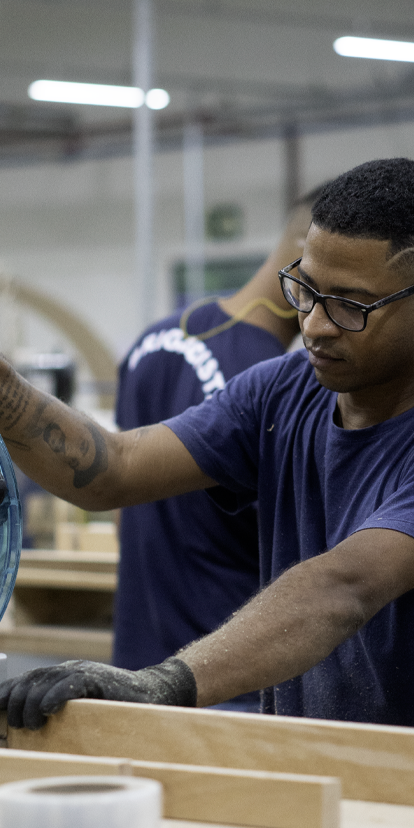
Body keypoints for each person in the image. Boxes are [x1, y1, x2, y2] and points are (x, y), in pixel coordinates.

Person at [0, 157, 414, 731]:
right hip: (312, 753)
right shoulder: (281, 393)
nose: (315, 325)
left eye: (350, 305)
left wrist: (161, 683)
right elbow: (116, 468)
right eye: (307, 291)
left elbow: (346, 585)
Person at [110, 190, 319, 709]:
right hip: (222, 672)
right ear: (307, 249)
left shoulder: (154, 338)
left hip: (136, 662)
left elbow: (120, 496)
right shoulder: (276, 385)